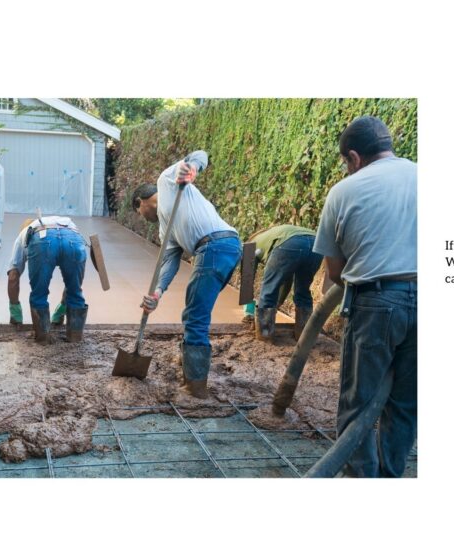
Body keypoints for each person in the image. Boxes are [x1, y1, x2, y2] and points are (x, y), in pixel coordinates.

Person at [313, 116, 417, 477]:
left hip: (376, 304)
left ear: (353, 157)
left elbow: (335, 272)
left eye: (346, 162)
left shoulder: (345, 190)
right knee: (405, 405)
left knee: (358, 404)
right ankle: (390, 478)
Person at [132, 151, 241, 399]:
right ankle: (194, 380)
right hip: (226, 248)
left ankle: (196, 389)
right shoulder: (165, 227)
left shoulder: (166, 182)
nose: (142, 218)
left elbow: (201, 154)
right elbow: (169, 263)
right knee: (197, 311)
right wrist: (157, 294)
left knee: (194, 316)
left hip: (213, 246)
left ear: (140, 202)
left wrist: (191, 168)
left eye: (139, 212)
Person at [7, 216, 88, 344]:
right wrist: (62, 307)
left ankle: (43, 338)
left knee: (39, 294)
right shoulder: (60, 222)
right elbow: (72, 281)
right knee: (75, 289)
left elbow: (13, 276)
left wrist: (14, 310)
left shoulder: (23, 236)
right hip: (74, 237)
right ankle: (75, 338)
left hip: (43, 241)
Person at [247, 225, 323, 341]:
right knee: (303, 291)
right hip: (316, 244)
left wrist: (249, 311)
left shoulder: (249, 245)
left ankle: (265, 335)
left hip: (290, 244)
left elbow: (247, 281)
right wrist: (278, 303)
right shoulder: (273, 234)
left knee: (268, 290)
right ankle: (304, 337)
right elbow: (287, 280)